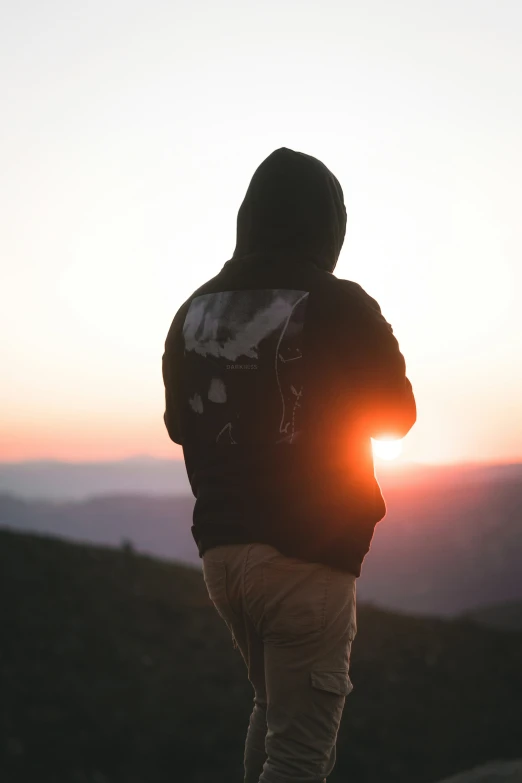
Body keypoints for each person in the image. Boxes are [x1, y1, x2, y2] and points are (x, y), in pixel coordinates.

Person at [162, 147, 416, 782]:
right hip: (307, 554)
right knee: (302, 756)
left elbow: (178, 426)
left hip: (223, 558)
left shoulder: (192, 310)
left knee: (273, 709)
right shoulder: (340, 303)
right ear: (328, 225)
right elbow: (397, 416)